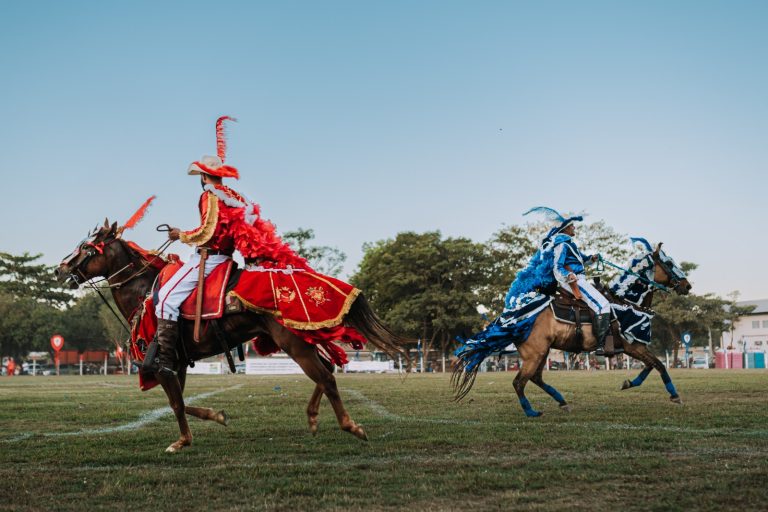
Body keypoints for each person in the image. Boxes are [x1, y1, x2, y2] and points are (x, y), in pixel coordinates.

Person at [149, 116, 307, 375]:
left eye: (200, 174)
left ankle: (166, 360)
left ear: (203, 176)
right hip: (227, 260)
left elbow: (206, 231)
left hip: (208, 259)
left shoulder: (208, 195)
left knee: (165, 300)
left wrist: (181, 235)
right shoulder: (235, 197)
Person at [525, 207, 613, 356]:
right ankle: (601, 345)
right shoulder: (562, 244)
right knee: (603, 305)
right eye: (572, 225)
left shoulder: (569, 243)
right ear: (565, 228)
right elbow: (557, 267)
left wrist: (592, 259)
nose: (574, 227)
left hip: (577, 278)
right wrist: (568, 276)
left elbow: (582, 261)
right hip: (574, 281)